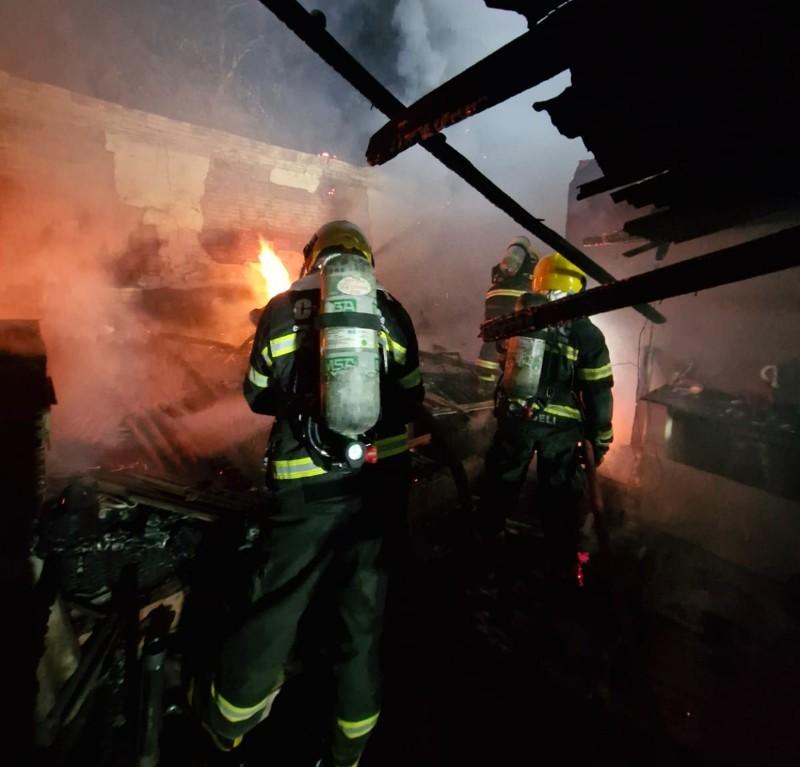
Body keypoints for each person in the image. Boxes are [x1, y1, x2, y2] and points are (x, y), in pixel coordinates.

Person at [193, 220, 424, 767]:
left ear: (312, 259)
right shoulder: (390, 310)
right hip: (375, 487)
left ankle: (228, 724)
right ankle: (349, 748)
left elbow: (255, 395)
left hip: (303, 486)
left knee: (277, 603)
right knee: (362, 620)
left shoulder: (280, 309)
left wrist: (300, 398)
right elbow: (411, 395)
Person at [477, 252, 614, 580]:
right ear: (577, 285)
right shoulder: (587, 333)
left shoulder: (521, 319)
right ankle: (560, 564)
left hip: (517, 419)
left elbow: (499, 357)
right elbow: (598, 392)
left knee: (500, 485)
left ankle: (482, 550)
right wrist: (601, 440)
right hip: (560, 432)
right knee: (560, 497)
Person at [474, 237, 540, 395]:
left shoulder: (505, 267)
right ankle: (509, 379)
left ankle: (485, 380)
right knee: (518, 337)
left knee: (492, 331)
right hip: (517, 296)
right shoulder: (534, 265)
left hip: (494, 295)